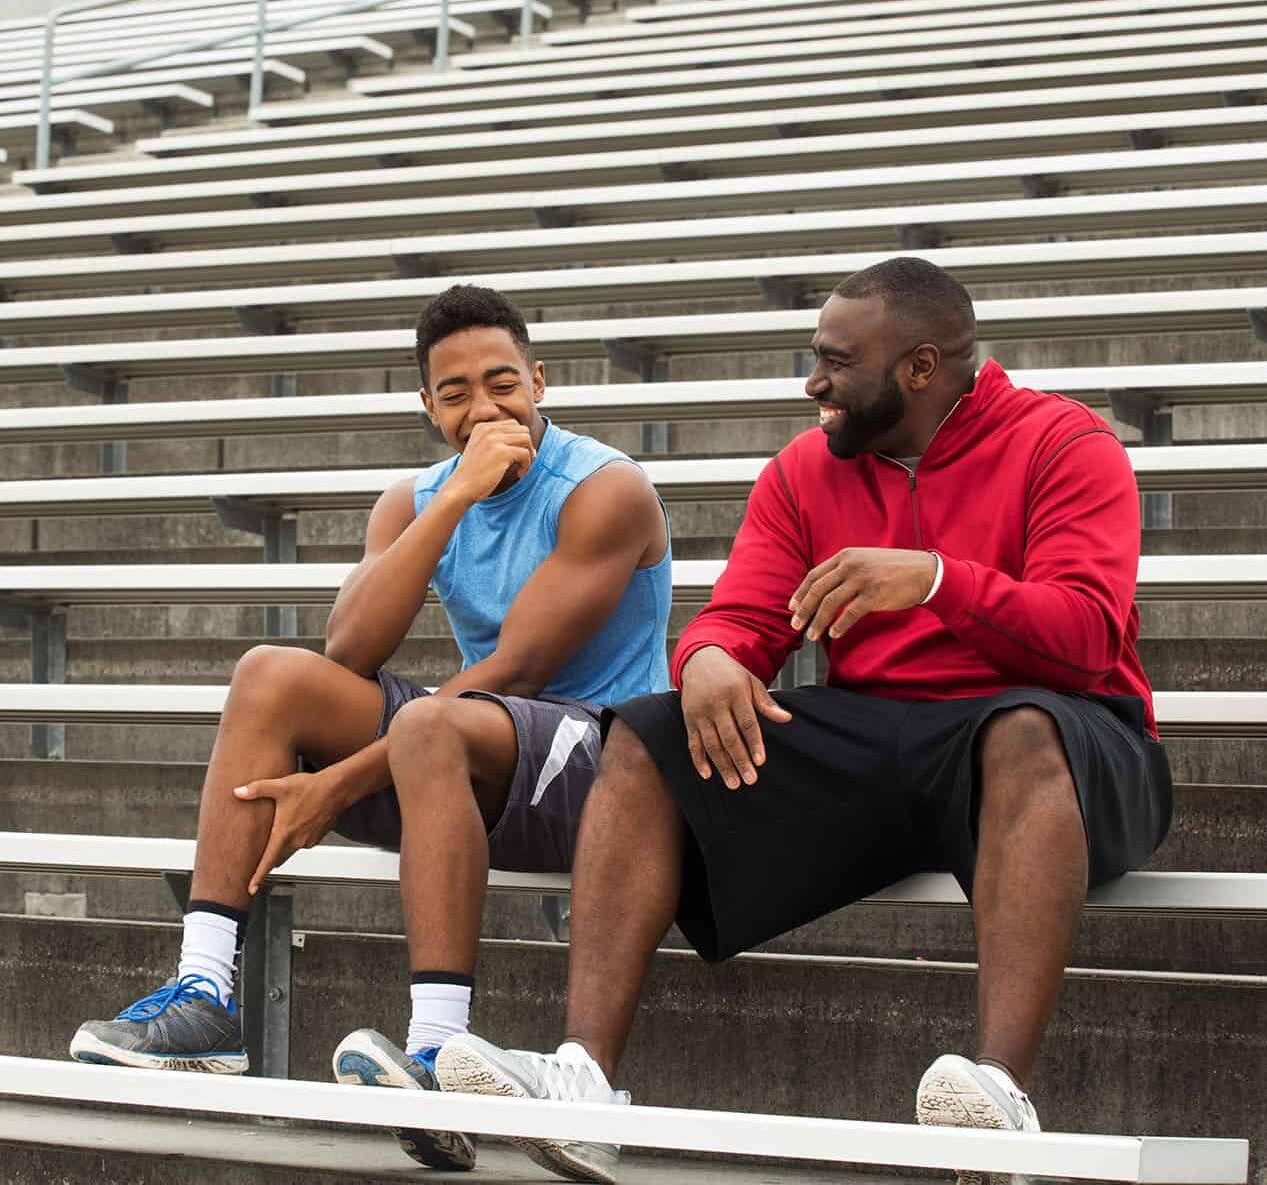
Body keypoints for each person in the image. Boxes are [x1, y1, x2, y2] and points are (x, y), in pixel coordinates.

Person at [431, 257, 1173, 1185]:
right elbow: (739, 618)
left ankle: (999, 1099)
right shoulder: (805, 467)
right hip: (881, 730)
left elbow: (1087, 635)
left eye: (834, 362)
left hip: (1068, 732)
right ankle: (582, 1084)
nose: (812, 382)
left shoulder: (1064, 443)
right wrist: (705, 663)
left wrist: (937, 579)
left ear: (919, 367)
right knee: (646, 733)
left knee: (1020, 728)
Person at [70, 283, 672, 1172]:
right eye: (456, 392)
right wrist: (453, 499)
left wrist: (342, 781)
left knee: (433, 721)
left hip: (606, 766)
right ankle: (204, 993)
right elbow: (349, 646)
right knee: (270, 678)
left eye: (502, 383)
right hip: (473, 747)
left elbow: (518, 673)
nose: (484, 407)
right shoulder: (420, 497)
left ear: (540, 381)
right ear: (428, 409)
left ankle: (434, 1052)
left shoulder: (605, 489)